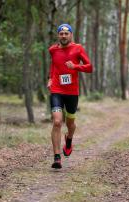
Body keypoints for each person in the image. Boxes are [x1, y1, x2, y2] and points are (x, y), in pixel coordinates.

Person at [47, 23, 93, 169]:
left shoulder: (77, 48)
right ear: (58, 35)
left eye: (66, 33)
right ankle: (56, 157)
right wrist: (50, 78)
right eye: (61, 33)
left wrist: (75, 66)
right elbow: (54, 65)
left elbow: (90, 67)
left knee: (70, 124)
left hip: (72, 92)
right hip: (57, 90)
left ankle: (69, 139)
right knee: (57, 121)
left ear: (71, 35)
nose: (64, 36)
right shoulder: (53, 50)